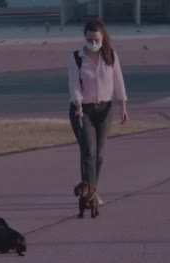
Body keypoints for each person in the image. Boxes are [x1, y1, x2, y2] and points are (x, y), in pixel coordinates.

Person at [67, 20, 129, 205]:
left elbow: (118, 81)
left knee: (99, 154)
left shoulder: (110, 55)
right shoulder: (76, 57)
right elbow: (74, 84)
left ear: (103, 37)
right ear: (84, 37)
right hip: (82, 110)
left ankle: (92, 190)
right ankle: (89, 196)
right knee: (88, 152)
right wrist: (77, 103)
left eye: (96, 39)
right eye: (89, 39)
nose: (93, 43)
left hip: (105, 109)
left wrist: (123, 106)